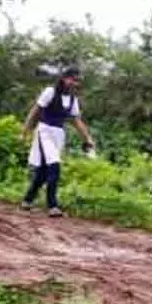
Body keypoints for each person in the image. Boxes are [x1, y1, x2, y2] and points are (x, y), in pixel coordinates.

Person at [19, 67, 95, 218]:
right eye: (72, 79)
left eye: (77, 81)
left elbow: (76, 121)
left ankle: (27, 200)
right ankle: (52, 205)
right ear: (64, 78)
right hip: (44, 131)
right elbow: (35, 111)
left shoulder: (73, 100)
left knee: (43, 171)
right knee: (54, 166)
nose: (74, 83)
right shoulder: (50, 92)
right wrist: (24, 132)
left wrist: (88, 139)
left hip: (58, 134)